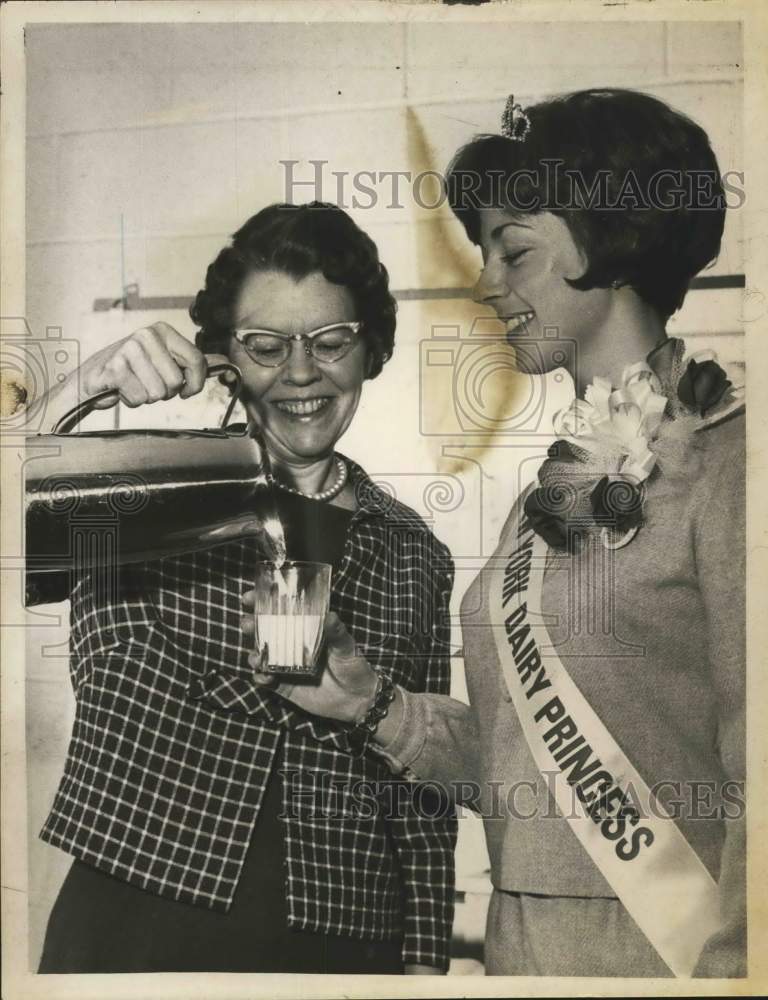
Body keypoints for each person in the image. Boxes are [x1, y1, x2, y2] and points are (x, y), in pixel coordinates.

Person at [244, 90, 747, 978]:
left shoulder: (729, 462)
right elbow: (530, 774)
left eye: (514, 250)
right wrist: (375, 706)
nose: (486, 283)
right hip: (524, 950)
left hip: (666, 953)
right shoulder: (552, 488)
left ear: (612, 240)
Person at [34, 203, 457, 974]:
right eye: (265, 346)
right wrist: (79, 392)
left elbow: (420, 791)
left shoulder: (415, 552)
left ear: (371, 350)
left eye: (331, 342)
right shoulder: (141, 484)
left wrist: (425, 960)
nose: (300, 374)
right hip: (137, 922)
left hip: (344, 945)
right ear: (224, 355)